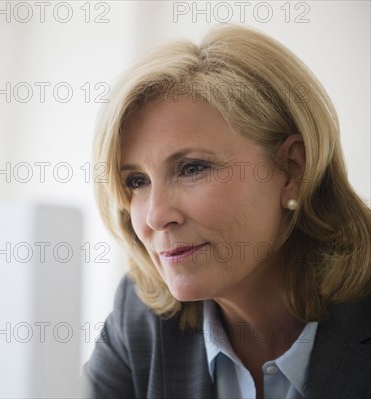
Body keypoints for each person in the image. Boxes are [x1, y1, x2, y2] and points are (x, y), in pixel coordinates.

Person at [82, 24, 371, 398]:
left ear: (292, 171)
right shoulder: (139, 319)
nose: (155, 216)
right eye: (137, 181)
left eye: (192, 168)